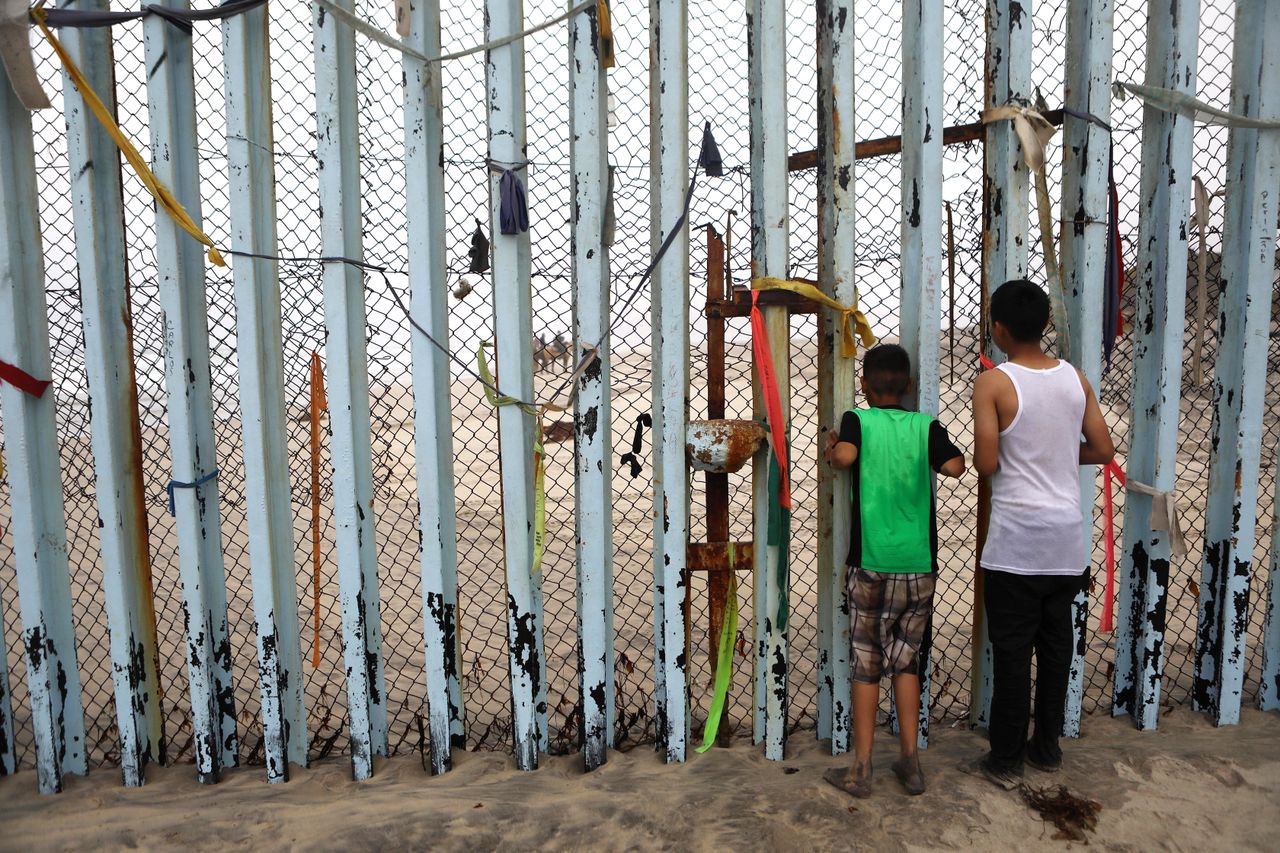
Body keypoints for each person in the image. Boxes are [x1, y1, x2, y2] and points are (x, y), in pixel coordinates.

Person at [970, 279, 1115, 789]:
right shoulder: (1075, 379)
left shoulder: (994, 383)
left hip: (1015, 545)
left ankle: (1005, 759)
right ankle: (1047, 750)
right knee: (1057, 650)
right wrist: (1056, 454)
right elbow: (1102, 449)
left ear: (999, 329)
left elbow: (987, 463)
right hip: (1066, 546)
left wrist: (1014, 452)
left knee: (1012, 653)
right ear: (1047, 325)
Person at [823, 343, 966, 797]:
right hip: (918, 565)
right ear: (908, 386)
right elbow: (955, 465)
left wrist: (832, 449)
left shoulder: (857, 421)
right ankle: (911, 762)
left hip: (870, 563)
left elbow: (844, 459)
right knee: (908, 662)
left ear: (863, 386)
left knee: (867, 663)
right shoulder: (926, 426)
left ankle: (861, 769)